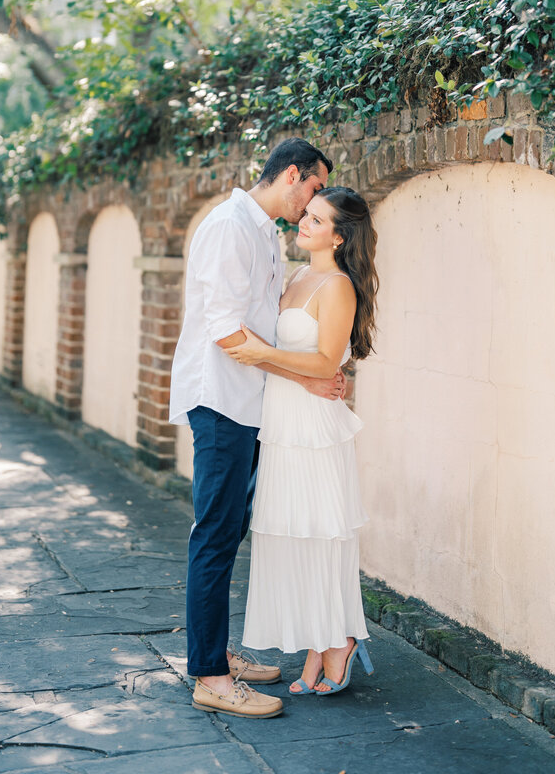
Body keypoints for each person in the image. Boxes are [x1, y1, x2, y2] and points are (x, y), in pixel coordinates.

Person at [169, 138, 347, 720]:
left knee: (228, 529)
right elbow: (227, 333)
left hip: (248, 404)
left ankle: (214, 651)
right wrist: (304, 378)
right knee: (216, 533)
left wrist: (300, 380)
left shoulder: (263, 230)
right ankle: (212, 678)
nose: (315, 200)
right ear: (292, 174)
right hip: (220, 400)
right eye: (316, 188)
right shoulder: (229, 226)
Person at [225, 186, 378, 696]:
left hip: (313, 426)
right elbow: (283, 358)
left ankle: (337, 641)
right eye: (306, 215)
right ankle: (320, 640)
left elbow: (325, 363)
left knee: (320, 535)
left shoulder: (336, 285)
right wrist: (259, 355)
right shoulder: (296, 277)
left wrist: (258, 353)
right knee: (291, 536)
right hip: (283, 422)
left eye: (316, 220)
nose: (303, 223)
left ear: (339, 237)